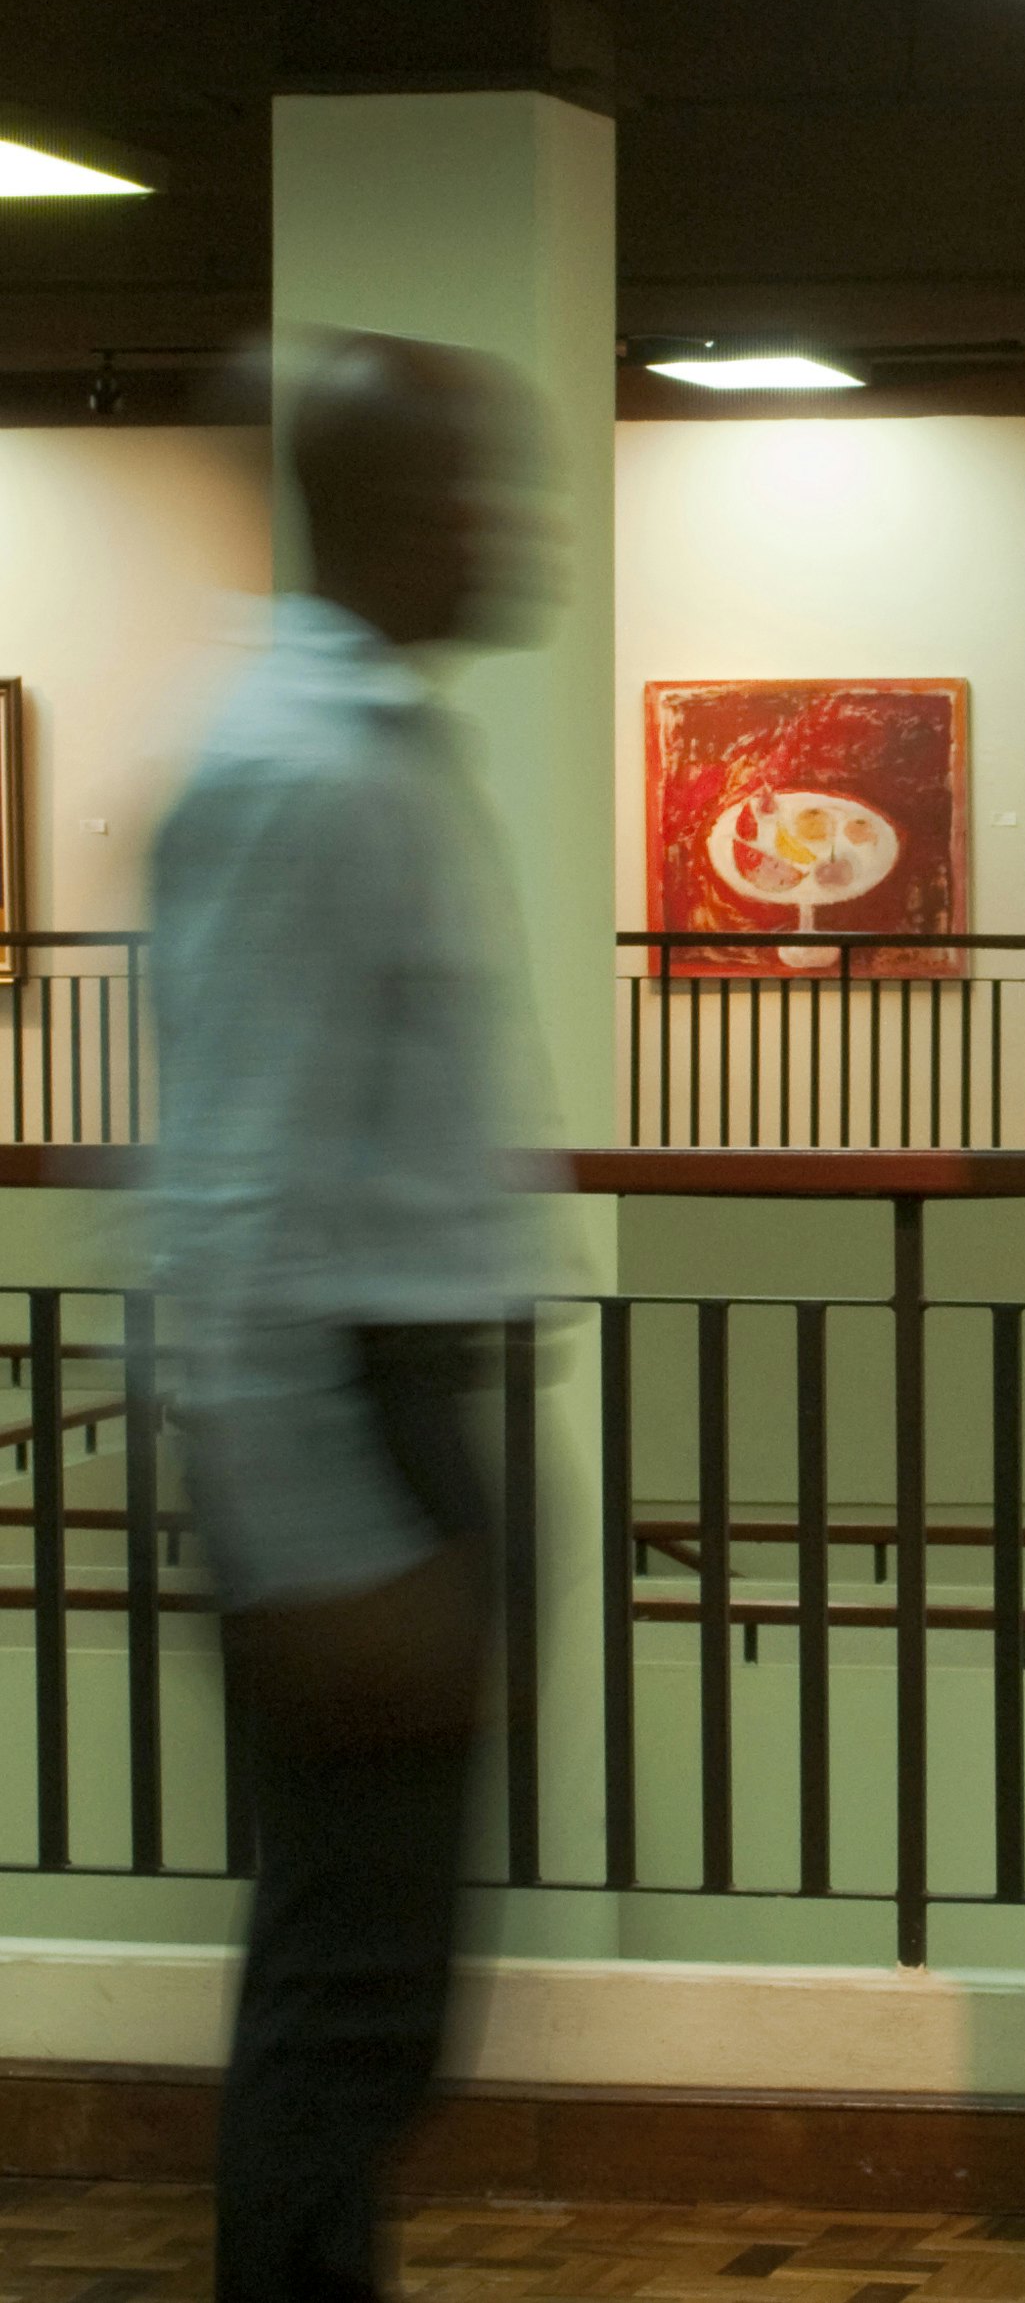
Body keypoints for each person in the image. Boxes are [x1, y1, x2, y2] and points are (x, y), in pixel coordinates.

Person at [151, 331, 549, 2303]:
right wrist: (320, 1542)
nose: (515, 526)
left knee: (382, 1998)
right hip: (354, 1430)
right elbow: (223, 1204)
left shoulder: (371, 742)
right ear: (387, 509)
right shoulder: (291, 773)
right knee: (346, 2001)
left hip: (410, 1413)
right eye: (481, 485)